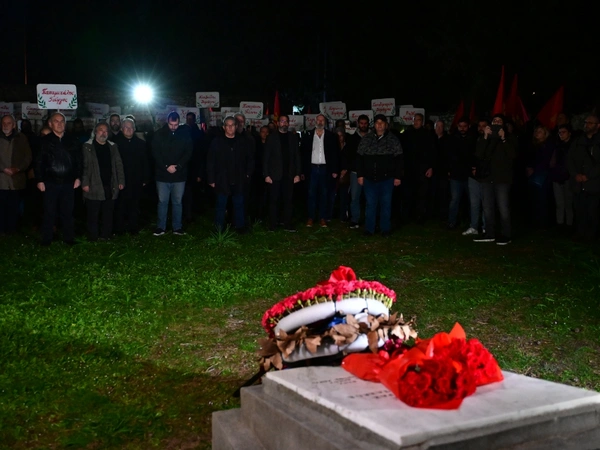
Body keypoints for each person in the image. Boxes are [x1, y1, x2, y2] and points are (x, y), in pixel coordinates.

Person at [34, 112, 82, 246]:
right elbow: (38, 162)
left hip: (68, 182)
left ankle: (69, 238)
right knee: (49, 211)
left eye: (62, 121)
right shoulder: (44, 141)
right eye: (56, 121)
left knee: (68, 212)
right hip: (50, 182)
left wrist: (78, 177)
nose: (59, 124)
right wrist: (39, 180)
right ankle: (47, 239)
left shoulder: (72, 140)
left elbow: (79, 160)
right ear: (50, 124)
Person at [356, 114, 403, 236]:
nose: (380, 125)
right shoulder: (366, 139)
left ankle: (385, 229)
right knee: (370, 205)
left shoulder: (393, 140)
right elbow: (359, 158)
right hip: (369, 179)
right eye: (377, 123)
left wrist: (398, 176)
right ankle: (369, 229)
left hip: (387, 179)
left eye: (382, 123)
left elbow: (399, 159)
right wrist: (360, 175)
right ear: (374, 125)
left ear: (386, 125)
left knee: (386, 204)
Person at [473, 114, 516, 245]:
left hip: (502, 178)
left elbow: (513, 155)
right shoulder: (485, 138)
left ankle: (506, 234)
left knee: (503, 207)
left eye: (499, 121)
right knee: (487, 207)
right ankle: (489, 233)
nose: (496, 122)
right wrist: (485, 137)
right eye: (494, 120)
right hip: (487, 177)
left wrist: (504, 139)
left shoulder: (510, 138)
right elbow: (479, 154)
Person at [207, 116, 254, 232]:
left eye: (232, 125)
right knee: (221, 205)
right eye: (227, 125)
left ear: (236, 126)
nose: (230, 127)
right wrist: (211, 179)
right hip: (222, 179)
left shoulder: (242, 142)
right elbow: (210, 161)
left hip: (238, 178)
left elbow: (250, 159)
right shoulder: (217, 142)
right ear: (224, 127)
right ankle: (219, 228)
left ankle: (240, 227)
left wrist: (248, 174)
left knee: (239, 204)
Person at [81, 123, 125, 241]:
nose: (103, 133)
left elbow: (118, 164)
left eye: (106, 131)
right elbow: (84, 165)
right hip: (93, 184)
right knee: (93, 213)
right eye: (101, 130)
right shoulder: (87, 147)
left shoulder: (113, 146)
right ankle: (93, 236)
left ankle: (106, 235)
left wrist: (121, 180)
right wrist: (85, 182)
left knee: (108, 212)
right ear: (95, 132)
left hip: (110, 184)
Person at [151, 111, 192, 236]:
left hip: (179, 175)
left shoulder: (184, 135)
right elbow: (155, 153)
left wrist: (178, 166)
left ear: (179, 122)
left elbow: (188, 152)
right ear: (167, 122)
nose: (173, 127)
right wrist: (165, 167)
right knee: (162, 202)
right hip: (162, 175)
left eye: (176, 125)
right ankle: (161, 227)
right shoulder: (159, 135)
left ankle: (177, 227)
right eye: (171, 124)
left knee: (177, 202)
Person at [263, 115, 301, 232]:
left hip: (289, 175)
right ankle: (273, 224)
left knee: (288, 201)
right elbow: (266, 157)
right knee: (274, 200)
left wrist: (297, 173)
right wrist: (266, 175)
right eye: (282, 121)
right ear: (278, 123)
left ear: (288, 124)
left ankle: (287, 224)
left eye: (286, 121)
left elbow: (297, 156)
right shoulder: (271, 137)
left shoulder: (292, 137)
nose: (284, 123)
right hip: (274, 175)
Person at [112, 118, 150, 234]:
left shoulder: (141, 144)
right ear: (122, 129)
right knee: (120, 204)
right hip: (121, 180)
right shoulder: (114, 144)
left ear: (134, 129)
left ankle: (133, 227)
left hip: (136, 179)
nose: (129, 130)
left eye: (131, 128)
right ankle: (119, 228)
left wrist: (145, 178)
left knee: (134, 204)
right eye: (126, 127)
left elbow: (145, 162)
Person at [301, 114, 339, 227]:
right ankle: (311, 217)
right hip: (312, 169)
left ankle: (323, 218)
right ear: (315, 121)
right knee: (311, 193)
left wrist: (335, 169)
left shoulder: (331, 136)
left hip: (325, 169)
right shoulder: (308, 135)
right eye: (318, 120)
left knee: (324, 193)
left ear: (325, 122)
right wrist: (302, 171)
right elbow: (303, 154)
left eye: (322, 120)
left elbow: (335, 154)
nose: (320, 122)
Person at [568, 114, 600, 241]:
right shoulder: (577, 142)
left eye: (590, 123)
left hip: (594, 184)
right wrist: (575, 174)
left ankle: (592, 234)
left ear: (598, 125)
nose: (587, 125)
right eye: (586, 122)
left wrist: (589, 176)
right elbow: (569, 159)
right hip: (578, 183)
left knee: (593, 210)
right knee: (580, 209)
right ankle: (581, 232)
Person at [0, 115, 32, 235]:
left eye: (9, 123)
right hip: (1, 180)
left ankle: (12, 231)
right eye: (4, 123)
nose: (6, 125)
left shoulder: (21, 138)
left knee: (14, 207)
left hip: (16, 180)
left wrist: (18, 168)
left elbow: (28, 157)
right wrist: (3, 168)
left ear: (13, 125)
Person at [346, 115, 370, 228]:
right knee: (355, 197)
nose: (363, 125)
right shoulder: (352, 138)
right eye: (361, 123)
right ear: (358, 124)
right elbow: (349, 155)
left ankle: (369, 219)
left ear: (368, 124)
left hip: (370, 173)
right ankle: (355, 219)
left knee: (370, 198)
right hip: (355, 173)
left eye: (365, 123)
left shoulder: (372, 137)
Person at [550, 124, 573, 231]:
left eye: (564, 132)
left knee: (568, 202)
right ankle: (560, 223)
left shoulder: (572, 146)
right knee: (559, 202)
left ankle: (569, 224)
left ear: (569, 133)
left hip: (568, 177)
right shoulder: (557, 146)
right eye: (560, 132)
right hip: (557, 176)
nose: (561, 134)